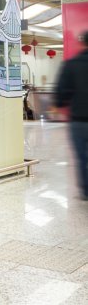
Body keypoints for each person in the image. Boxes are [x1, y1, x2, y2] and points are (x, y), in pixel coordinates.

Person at [55, 31, 88, 199]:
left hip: (78, 121)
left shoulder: (71, 65)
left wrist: (60, 104)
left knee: (82, 157)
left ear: (82, 43)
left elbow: (61, 93)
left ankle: (86, 191)